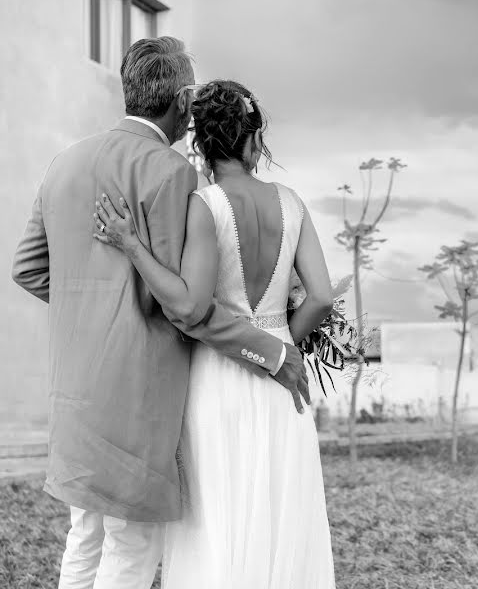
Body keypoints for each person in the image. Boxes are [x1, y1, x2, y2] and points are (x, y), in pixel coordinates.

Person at [11, 37, 309, 589]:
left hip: (74, 391)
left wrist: (92, 303)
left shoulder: (64, 162)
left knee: (85, 537)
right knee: (132, 546)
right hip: (136, 393)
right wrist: (271, 352)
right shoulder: (171, 174)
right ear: (179, 101)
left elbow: (28, 270)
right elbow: (188, 309)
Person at [93, 79, 337, 587]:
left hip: (218, 381)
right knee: (279, 514)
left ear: (201, 143)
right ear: (253, 140)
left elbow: (189, 304)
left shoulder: (204, 206)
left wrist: (131, 246)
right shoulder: (292, 203)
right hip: (281, 383)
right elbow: (319, 296)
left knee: (219, 521)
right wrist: (283, 343)